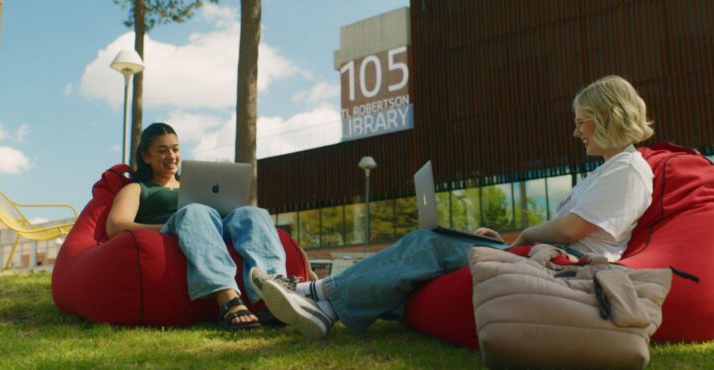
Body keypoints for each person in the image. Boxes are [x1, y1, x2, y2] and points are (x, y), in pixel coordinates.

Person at [250, 75, 655, 339]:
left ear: (608, 117)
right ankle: (322, 312)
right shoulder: (605, 171)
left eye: (582, 121)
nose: (576, 131)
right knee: (428, 246)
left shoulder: (630, 170)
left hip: (566, 268)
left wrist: (525, 236)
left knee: (427, 245)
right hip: (544, 256)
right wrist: (508, 240)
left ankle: (311, 291)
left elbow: (571, 231)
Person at [106, 122, 287, 330]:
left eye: (175, 149)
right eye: (162, 151)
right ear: (146, 156)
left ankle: (275, 295)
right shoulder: (138, 188)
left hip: (212, 228)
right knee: (194, 211)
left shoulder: (194, 182)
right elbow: (116, 226)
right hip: (175, 230)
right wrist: (170, 225)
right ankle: (227, 298)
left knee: (252, 212)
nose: (172, 156)